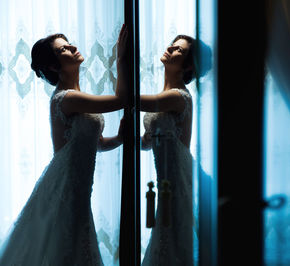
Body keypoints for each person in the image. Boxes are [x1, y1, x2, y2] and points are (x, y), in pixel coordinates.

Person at [0, 24, 129, 265]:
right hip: (66, 190)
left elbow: (96, 144)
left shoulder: (74, 97)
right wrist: (120, 58)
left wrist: (119, 140)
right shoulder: (66, 98)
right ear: (53, 66)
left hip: (77, 190)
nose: (72, 47)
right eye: (63, 50)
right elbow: (121, 99)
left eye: (68, 44)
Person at [140, 35, 210, 266]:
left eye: (178, 49)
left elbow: (133, 100)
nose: (169, 48)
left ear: (188, 65)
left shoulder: (178, 96)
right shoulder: (166, 97)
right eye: (172, 44)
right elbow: (146, 143)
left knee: (173, 238)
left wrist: (121, 62)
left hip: (178, 177)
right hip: (167, 177)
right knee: (166, 236)